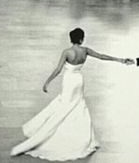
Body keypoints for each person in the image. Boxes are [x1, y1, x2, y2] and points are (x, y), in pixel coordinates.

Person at [10, 28, 128, 158]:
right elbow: (101, 56)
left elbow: (58, 69)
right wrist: (120, 60)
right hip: (79, 81)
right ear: (81, 39)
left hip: (69, 81)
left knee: (65, 105)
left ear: (71, 39)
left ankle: (53, 133)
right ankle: (79, 136)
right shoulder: (85, 51)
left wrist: (47, 82)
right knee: (78, 105)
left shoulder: (67, 52)